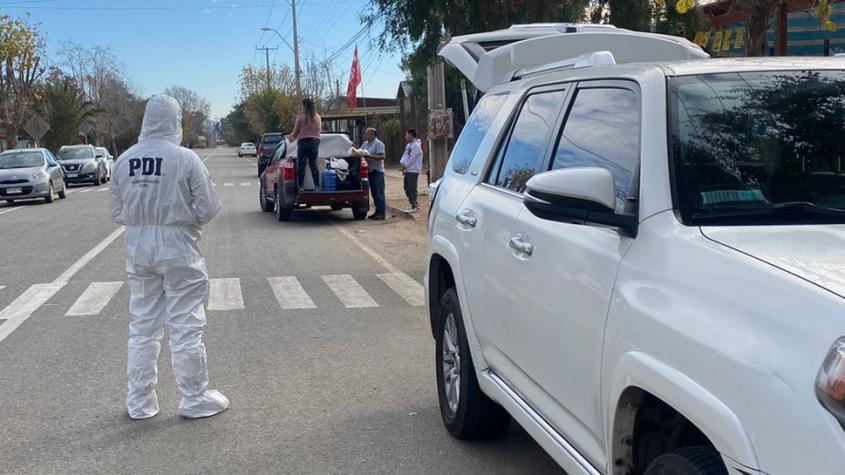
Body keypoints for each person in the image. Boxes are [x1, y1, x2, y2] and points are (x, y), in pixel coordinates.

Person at [110, 95, 230, 420]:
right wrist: (181, 217)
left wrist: (144, 219)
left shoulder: (124, 161)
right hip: (178, 245)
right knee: (186, 323)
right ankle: (194, 398)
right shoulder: (186, 159)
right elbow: (209, 208)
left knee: (143, 325)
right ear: (175, 122)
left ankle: (140, 402)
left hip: (138, 246)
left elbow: (117, 212)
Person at [288, 98, 322, 191]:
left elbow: (295, 133)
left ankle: (301, 186)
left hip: (303, 142)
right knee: (313, 165)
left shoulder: (301, 117)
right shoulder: (318, 117)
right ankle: (317, 186)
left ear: (304, 106)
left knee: (301, 165)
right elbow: (318, 131)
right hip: (315, 142)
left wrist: (288, 139)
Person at [359, 127, 386, 220]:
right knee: (374, 193)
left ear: (373, 135)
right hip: (368, 171)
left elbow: (382, 156)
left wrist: (369, 156)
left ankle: (382, 212)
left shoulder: (378, 144)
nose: (366, 135)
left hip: (377, 171)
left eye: (368, 134)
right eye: (366, 134)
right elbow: (360, 151)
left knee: (379, 193)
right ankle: (377, 211)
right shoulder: (365, 144)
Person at [399, 128, 423, 213]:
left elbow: (412, 158)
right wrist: (402, 163)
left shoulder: (416, 146)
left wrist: (405, 166)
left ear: (410, 135)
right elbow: (405, 155)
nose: (405, 136)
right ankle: (413, 203)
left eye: (406, 135)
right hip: (408, 170)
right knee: (407, 187)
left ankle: (413, 205)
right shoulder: (409, 145)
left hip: (413, 170)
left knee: (412, 188)